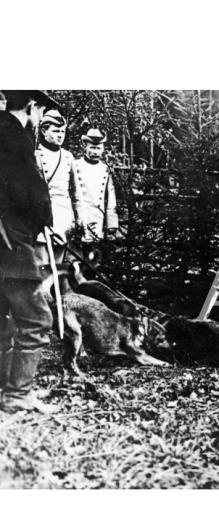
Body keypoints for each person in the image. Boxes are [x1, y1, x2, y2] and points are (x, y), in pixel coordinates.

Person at [0, 90, 61, 414]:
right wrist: (43, 218)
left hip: (6, 236)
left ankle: (5, 389)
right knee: (37, 318)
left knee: (2, 319)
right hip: (12, 241)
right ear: (32, 106)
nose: (38, 121)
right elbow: (31, 193)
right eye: (40, 113)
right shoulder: (15, 138)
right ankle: (17, 394)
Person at [35, 109, 86, 265]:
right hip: (40, 217)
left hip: (62, 217)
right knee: (41, 264)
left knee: (58, 266)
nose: (60, 135)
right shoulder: (34, 155)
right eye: (55, 131)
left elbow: (76, 192)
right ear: (44, 131)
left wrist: (80, 218)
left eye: (62, 131)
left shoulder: (67, 157)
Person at [74, 128, 119, 252]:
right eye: (92, 148)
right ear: (85, 147)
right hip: (80, 215)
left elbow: (111, 197)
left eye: (98, 148)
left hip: (98, 217)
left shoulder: (105, 169)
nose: (95, 152)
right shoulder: (75, 165)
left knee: (94, 255)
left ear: (103, 149)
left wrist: (111, 224)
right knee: (76, 253)